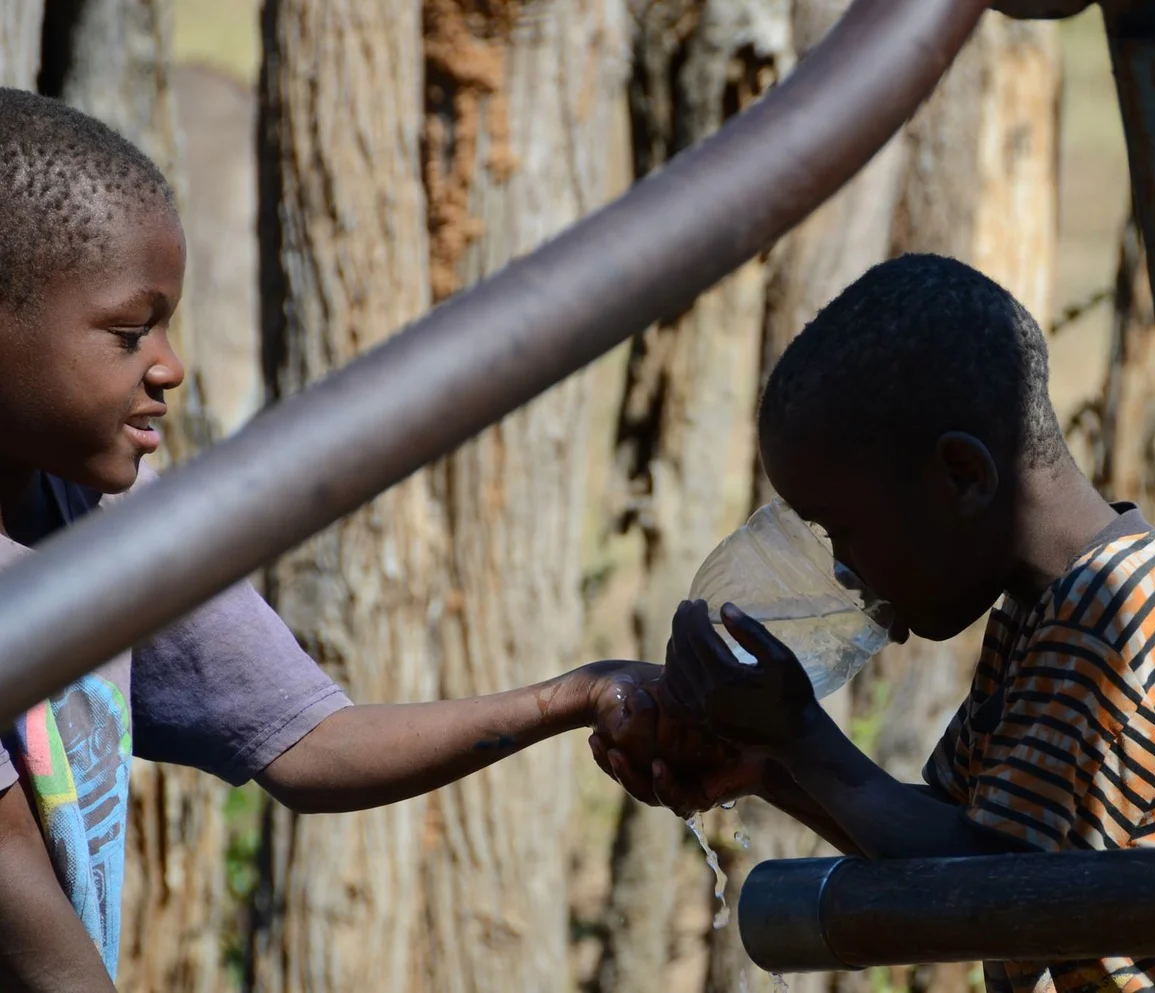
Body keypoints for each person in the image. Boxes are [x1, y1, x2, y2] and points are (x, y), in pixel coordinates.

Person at [0, 88, 688, 992]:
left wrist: (577, 695)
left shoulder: (99, 521)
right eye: (130, 334)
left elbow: (310, 743)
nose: (170, 367)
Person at [593, 254, 1155, 993]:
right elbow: (942, 833)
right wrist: (772, 769)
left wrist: (802, 733)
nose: (841, 570)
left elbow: (994, 893)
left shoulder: (1111, 619)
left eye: (842, 530)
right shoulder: (1047, 610)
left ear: (963, 477)